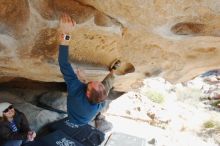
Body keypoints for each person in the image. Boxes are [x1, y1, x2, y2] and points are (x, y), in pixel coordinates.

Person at [58, 13, 124, 132]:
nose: (98, 82)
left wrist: (66, 33)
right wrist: (85, 80)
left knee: (104, 87)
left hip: (74, 117)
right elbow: (100, 90)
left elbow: (63, 62)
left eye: (95, 84)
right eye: (100, 84)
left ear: (87, 93)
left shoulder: (75, 91)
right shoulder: (100, 103)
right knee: (107, 84)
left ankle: (108, 76)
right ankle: (113, 71)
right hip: (86, 117)